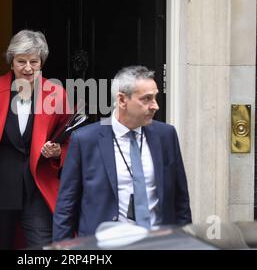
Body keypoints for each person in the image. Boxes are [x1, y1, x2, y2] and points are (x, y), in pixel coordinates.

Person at [0, 30, 71, 250]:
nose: (28, 68)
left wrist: (58, 152)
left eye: (34, 62)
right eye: (21, 61)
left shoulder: (56, 93)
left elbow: (70, 138)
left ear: (41, 62)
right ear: (11, 62)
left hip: (37, 188)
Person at [53, 65, 192, 241]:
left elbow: (181, 199)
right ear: (122, 100)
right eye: (147, 99)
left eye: (155, 97)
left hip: (159, 242)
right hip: (105, 245)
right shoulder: (85, 140)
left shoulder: (166, 135)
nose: (155, 106)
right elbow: (66, 205)